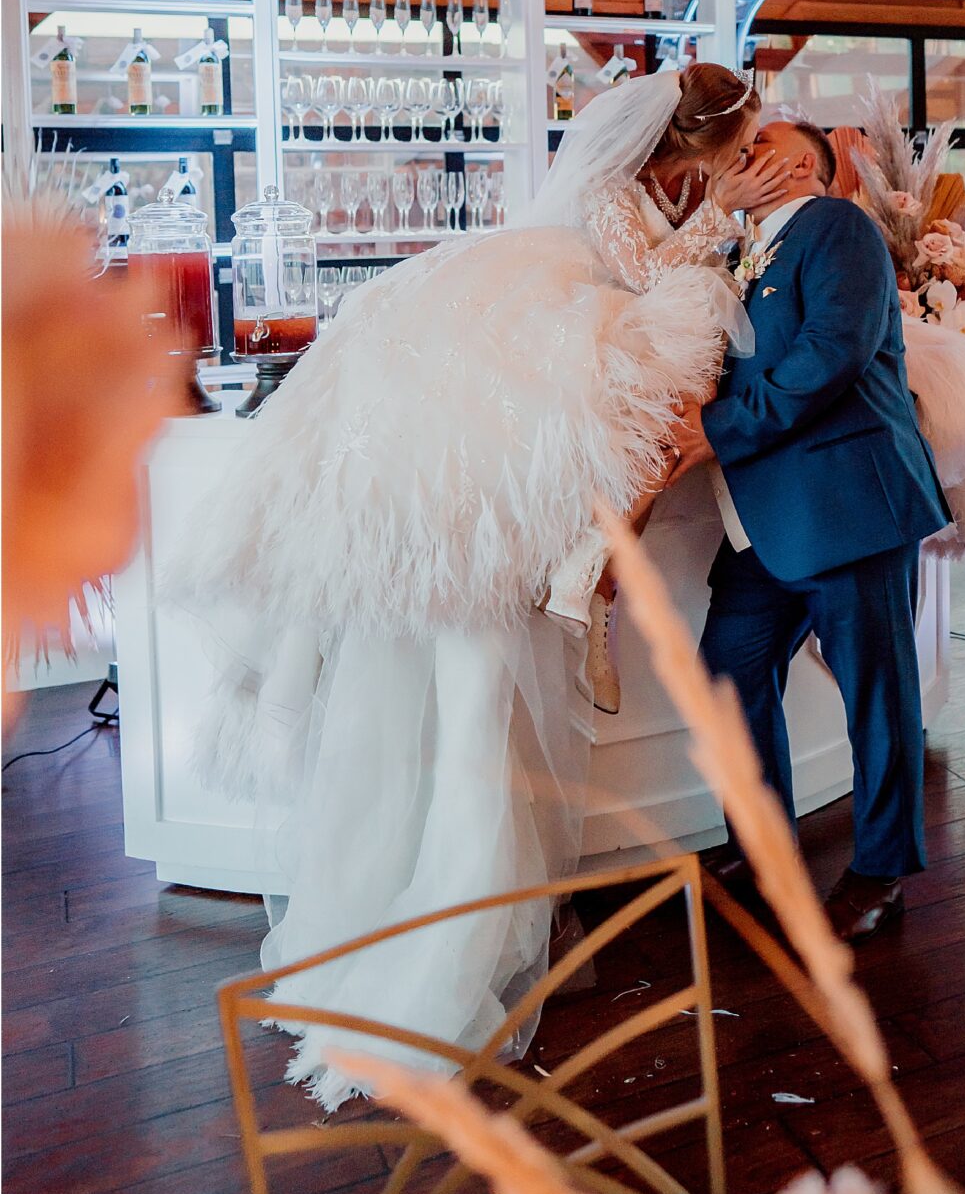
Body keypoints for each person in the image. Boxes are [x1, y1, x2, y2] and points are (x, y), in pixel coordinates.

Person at [169, 64, 791, 1109]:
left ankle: (413, 926)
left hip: (464, 458)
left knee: (437, 713)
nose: (741, 169)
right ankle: (437, 952)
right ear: (697, 151)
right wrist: (720, 229)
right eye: (737, 151)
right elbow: (666, 296)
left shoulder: (548, 238)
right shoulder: (609, 208)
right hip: (486, 474)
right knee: (463, 716)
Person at [668, 118, 950, 945]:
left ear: (801, 165)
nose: (743, 154)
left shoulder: (838, 227)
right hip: (766, 517)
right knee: (726, 673)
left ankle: (882, 868)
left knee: (876, 693)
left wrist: (719, 427)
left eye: (760, 146)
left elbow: (832, 352)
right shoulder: (750, 246)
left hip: (848, 503)